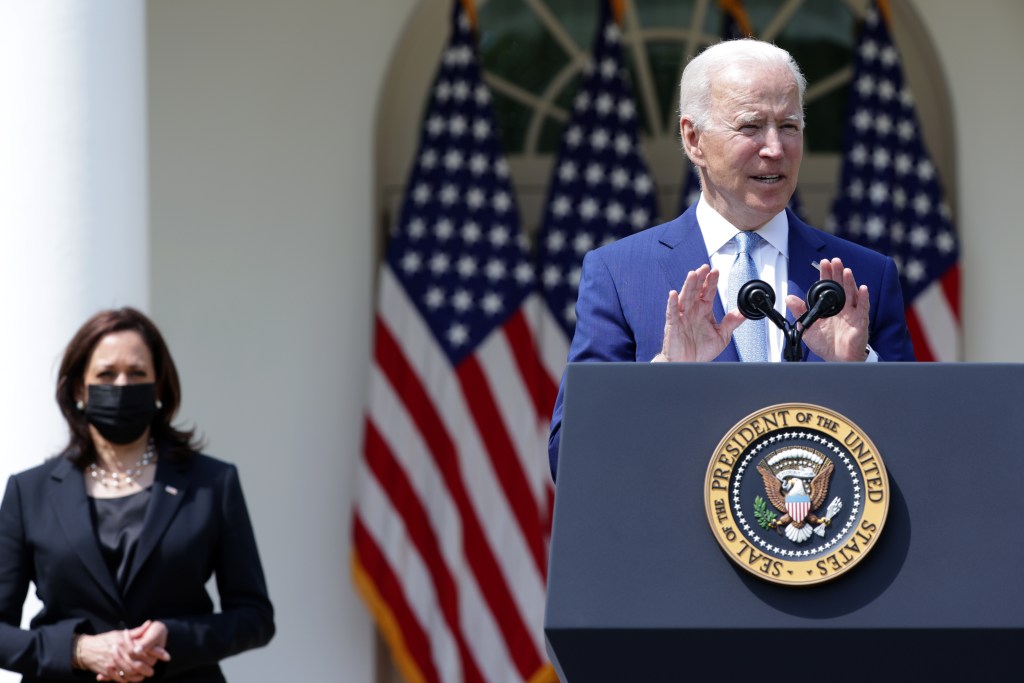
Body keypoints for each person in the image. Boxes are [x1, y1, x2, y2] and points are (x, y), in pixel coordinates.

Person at [548, 38, 915, 479]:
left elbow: (915, 453)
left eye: (790, 126)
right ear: (693, 139)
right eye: (751, 127)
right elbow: (567, 457)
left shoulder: (864, 276)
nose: (775, 148)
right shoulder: (620, 274)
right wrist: (662, 377)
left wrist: (857, 373)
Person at [0, 308, 274, 682]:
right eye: (107, 374)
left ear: (159, 386)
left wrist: (173, 638)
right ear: (80, 387)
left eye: (138, 373)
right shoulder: (29, 493)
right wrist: (79, 650)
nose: (123, 385)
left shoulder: (212, 483)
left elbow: (255, 617)